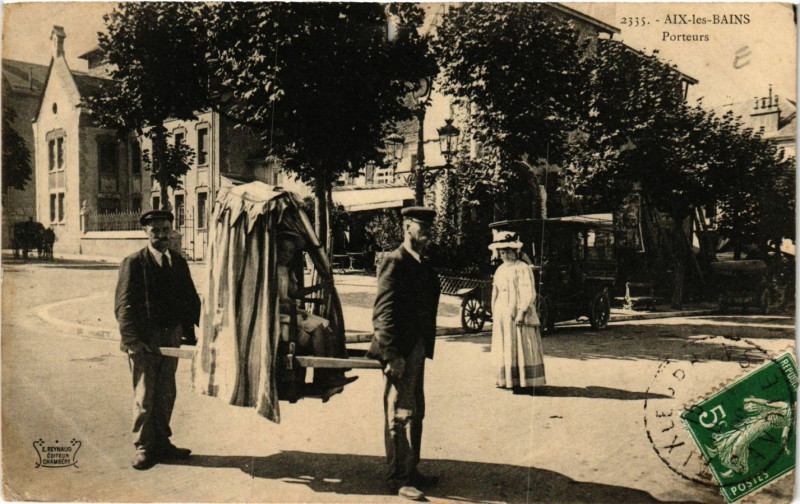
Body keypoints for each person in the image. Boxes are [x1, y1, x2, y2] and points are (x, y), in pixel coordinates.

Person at [114, 210, 201, 470]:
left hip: (171, 336)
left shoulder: (178, 260)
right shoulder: (134, 262)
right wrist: (131, 340)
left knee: (166, 392)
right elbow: (123, 304)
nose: (162, 235)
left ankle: (162, 442)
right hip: (144, 338)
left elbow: (190, 297)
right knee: (145, 393)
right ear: (146, 233)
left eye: (166, 230)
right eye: (156, 231)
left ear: (171, 231)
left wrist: (203, 329)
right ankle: (143, 446)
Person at [367, 206, 441, 501]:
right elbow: (383, 313)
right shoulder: (394, 261)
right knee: (398, 412)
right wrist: (392, 355)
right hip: (400, 349)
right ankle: (398, 478)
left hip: (418, 347)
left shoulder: (422, 263)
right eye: (421, 226)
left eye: (429, 227)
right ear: (407, 227)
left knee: (416, 411)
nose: (428, 232)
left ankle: (412, 469)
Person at [275, 230, 356, 402]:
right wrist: (292, 307)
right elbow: (272, 300)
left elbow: (295, 293)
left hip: (291, 310)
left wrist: (317, 289)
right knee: (318, 329)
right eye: (284, 251)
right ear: (276, 251)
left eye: (290, 252)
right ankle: (324, 380)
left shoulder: (287, 272)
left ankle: (332, 374)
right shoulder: (271, 272)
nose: (287, 255)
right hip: (279, 314)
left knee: (326, 325)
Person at [489, 231, 546, 392]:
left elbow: (527, 291)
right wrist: (495, 312)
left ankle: (525, 380)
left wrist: (522, 311)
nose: (506, 255)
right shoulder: (500, 269)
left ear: (516, 251)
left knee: (521, 344)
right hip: (503, 312)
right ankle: (506, 379)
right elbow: (496, 292)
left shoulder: (522, 268)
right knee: (505, 344)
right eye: (502, 252)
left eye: (509, 251)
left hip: (517, 312)